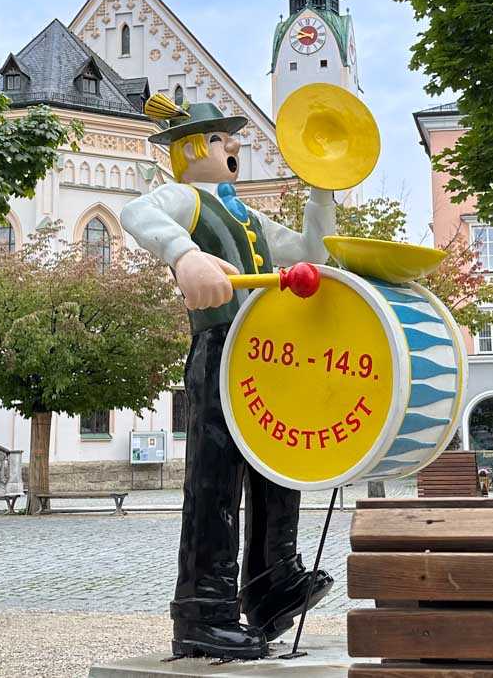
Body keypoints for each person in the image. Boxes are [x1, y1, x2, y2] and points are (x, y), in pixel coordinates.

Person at [121, 93, 335, 660]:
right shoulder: (186, 199)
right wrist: (183, 256)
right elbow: (137, 214)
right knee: (215, 479)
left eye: (230, 139)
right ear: (193, 149)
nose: (234, 146)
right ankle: (203, 610)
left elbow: (313, 251)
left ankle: (273, 582)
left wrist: (322, 189)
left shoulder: (246, 213)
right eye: (220, 139)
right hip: (220, 347)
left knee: (277, 458)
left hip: (265, 355)